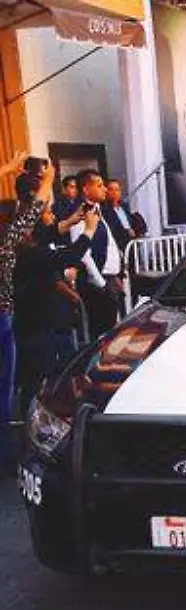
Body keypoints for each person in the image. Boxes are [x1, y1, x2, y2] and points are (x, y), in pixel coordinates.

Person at [14, 200, 98, 415]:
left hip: (34, 324)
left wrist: (72, 221)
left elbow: (46, 235)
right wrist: (89, 230)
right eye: (48, 213)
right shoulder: (31, 254)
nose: (52, 216)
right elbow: (68, 255)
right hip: (34, 326)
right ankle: (29, 422)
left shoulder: (24, 246)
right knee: (36, 380)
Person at [1, 155, 55, 470]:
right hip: (3, 316)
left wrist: (7, 170)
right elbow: (40, 200)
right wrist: (49, 174)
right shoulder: (9, 239)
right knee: (4, 390)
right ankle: (5, 456)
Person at [72, 168, 129, 338]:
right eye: (99, 185)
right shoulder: (80, 213)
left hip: (110, 278)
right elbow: (83, 253)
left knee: (112, 330)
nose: (104, 189)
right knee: (101, 333)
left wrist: (117, 272)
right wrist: (101, 283)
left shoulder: (100, 210)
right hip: (97, 283)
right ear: (86, 189)